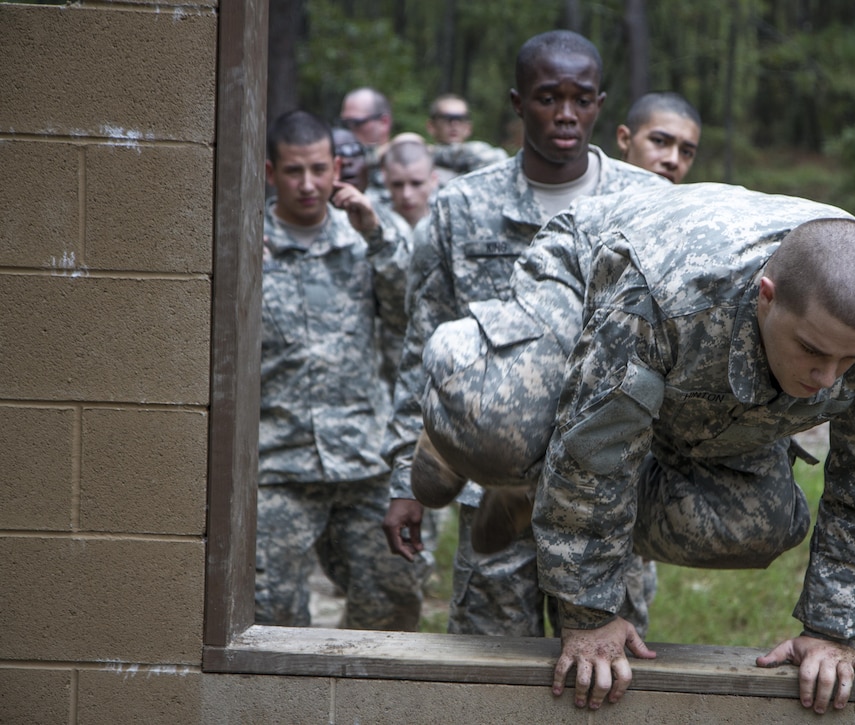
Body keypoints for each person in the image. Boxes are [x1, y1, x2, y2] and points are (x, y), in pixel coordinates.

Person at [416, 182, 855, 713]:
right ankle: (468, 410)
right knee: (502, 427)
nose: (829, 379)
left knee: (758, 526)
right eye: (812, 350)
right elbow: (595, 448)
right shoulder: (665, 296)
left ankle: (531, 495)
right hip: (592, 267)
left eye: (848, 361)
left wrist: (834, 631)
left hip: (698, 370)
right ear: (767, 297)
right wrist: (588, 612)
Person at [380, 30, 668, 639]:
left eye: (581, 98)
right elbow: (424, 348)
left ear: (599, 103)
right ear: (517, 103)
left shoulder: (648, 203)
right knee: (490, 674)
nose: (565, 114)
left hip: (608, 492)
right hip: (491, 485)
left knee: (608, 671)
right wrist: (402, 481)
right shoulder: (463, 206)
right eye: (547, 97)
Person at [256, 109, 424, 631]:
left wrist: (375, 234)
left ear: (337, 170)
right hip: (277, 463)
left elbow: (406, 316)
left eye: (318, 170)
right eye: (292, 172)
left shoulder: (369, 234)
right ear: (269, 172)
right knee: (268, 612)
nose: (308, 185)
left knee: (393, 598)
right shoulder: (245, 239)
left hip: (361, 460)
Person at [616, 92, 702, 184]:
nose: (673, 160)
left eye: (686, 152)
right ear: (625, 139)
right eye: (659, 141)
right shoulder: (600, 194)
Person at [425, 93, 509, 184]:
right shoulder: (420, 165)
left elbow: (499, 158)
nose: (454, 124)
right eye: (447, 118)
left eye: (460, 119)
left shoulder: (482, 161)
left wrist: (432, 152)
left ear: (468, 127)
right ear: (431, 126)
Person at [340, 87, 394, 195]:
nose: (349, 131)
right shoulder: (340, 165)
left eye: (356, 123)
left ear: (384, 122)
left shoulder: (402, 165)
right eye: (345, 124)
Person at [382, 132, 439, 232]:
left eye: (416, 184)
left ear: (433, 180)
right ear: (385, 180)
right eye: (397, 185)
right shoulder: (374, 224)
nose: (406, 194)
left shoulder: (448, 225)